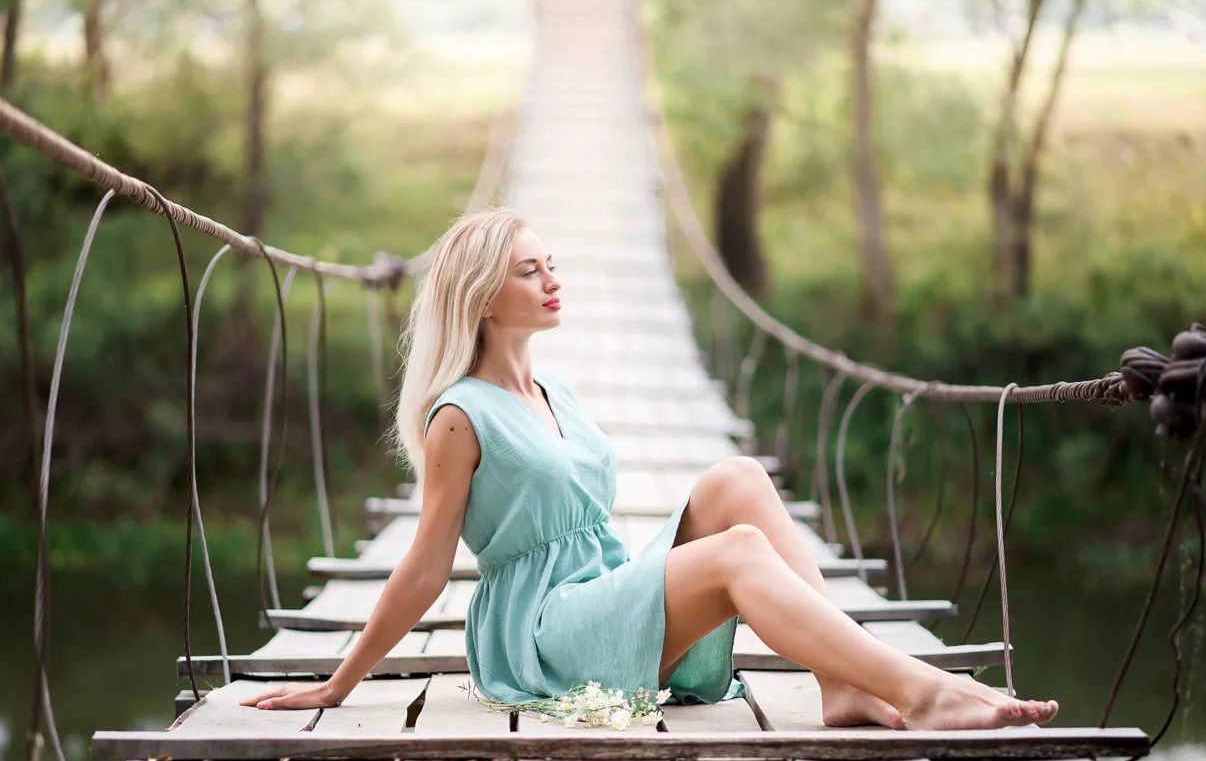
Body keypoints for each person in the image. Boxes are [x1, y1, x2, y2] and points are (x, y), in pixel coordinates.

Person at [242, 209, 1058, 730]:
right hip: (544, 636)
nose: (553, 279)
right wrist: (336, 687)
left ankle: (841, 685)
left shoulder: (550, 385)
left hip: (600, 591)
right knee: (736, 553)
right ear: (484, 297)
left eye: (551, 261)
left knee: (736, 479)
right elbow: (425, 567)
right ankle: (922, 691)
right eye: (530, 270)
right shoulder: (459, 415)